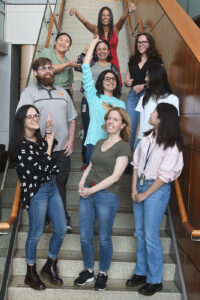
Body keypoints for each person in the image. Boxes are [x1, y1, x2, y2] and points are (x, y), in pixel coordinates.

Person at [126, 103, 184, 296]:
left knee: (151, 235)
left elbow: (164, 176)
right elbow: (135, 165)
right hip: (140, 185)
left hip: (155, 190)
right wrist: (134, 187)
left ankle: (155, 279)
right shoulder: (147, 138)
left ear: (162, 119)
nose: (150, 114)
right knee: (140, 233)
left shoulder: (172, 146)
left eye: (154, 112)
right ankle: (141, 272)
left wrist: (145, 193)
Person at [9, 105, 67, 290]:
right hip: (37, 192)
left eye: (36, 115)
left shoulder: (38, 139)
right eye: (30, 116)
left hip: (51, 187)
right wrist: (48, 147)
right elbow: (41, 169)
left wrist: (48, 133)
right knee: (35, 233)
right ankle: (30, 272)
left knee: (60, 229)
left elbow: (50, 153)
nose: (35, 118)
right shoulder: (20, 147)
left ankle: (49, 266)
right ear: (22, 121)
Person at [16, 57, 77, 232]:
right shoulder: (29, 92)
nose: (48, 71)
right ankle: (42, 219)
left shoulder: (63, 92)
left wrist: (71, 141)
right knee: (39, 186)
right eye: (43, 68)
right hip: (38, 151)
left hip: (61, 149)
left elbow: (72, 120)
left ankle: (62, 218)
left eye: (50, 68)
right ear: (35, 73)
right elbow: (22, 118)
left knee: (59, 184)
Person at [74, 107, 131, 291]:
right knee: (84, 235)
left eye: (115, 119)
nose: (110, 122)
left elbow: (115, 177)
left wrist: (92, 191)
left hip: (106, 196)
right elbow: (90, 165)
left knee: (105, 237)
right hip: (88, 193)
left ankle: (103, 273)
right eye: (109, 118)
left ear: (122, 125)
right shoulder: (99, 142)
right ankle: (89, 270)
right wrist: (82, 183)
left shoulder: (123, 146)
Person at [75, 39, 120, 170]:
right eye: (99, 49)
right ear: (95, 51)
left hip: (106, 101)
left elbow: (118, 86)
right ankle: (86, 159)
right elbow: (81, 66)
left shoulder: (112, 67)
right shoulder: (91, 63)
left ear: (109, 51)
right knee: (89, 128)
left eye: (104, 48)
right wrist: (89, 48)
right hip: (91, 99)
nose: (101, 51)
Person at [69, 2, 136, 86]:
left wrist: (128, 8)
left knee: (113, 87)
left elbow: (122, 19)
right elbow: (85, 21)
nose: (105, 17)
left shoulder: (116, 29)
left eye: (108, 15)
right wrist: (75, 12)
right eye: (103, 15)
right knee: (98, 86)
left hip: (113, 62)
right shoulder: (96, 30)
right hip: (98, 63)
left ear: (111, 17)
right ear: (100, 17)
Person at [125, 33, 163, 151]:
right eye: (139, 42)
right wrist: (127, 82)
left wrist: (144, 86)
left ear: (149, 43)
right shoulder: (133, 60)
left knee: (143, 127)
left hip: (149, 95)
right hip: (133, 96)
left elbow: (159, 79)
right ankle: (127, 159)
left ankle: (138, 158)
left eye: (144, 42)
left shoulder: (156, 60)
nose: (140, 44)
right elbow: (127, 79)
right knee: (130, 127)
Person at [134, 63, 179, 148]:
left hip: (160, 142)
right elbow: (140, 123)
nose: (145, 79)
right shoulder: (143, 98)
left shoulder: (173, 99)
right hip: (141, 141)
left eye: (147, 76)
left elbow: (173, 124)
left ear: (155, 78)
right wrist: (135, 144)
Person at [40, 32, 80, 100]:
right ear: (55, 42)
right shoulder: (46, 52)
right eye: (61, 40)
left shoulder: (68, 61)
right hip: (47, 91)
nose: (63, 43)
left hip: (65, 94)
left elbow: (70, 86)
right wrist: (67, 64)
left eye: (67, 41)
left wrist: (71, 105)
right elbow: (48, 70)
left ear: (69, 47)